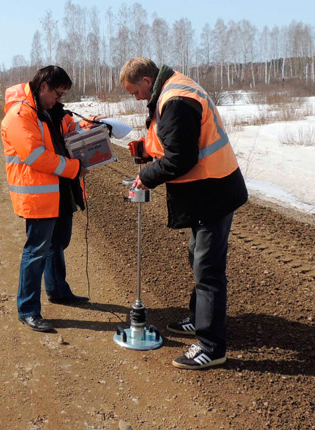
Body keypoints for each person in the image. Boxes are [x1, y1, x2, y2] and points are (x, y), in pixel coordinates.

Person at [120, 57, 248, 369]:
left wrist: (147, 176)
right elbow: (173, 138)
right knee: (197, 256)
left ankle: (211, 346)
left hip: (213, 191)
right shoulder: (172, 90)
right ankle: (198, 317)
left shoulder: (176, 99)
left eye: (134, 91)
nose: (135, 98)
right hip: (207, 188)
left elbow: (181, 158)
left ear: (147, 82)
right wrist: (146, 148)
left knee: (208, 269)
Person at [1, 65, 91, 332]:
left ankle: (58, 291)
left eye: (63, 95)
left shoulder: (51, 111)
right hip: (39, 195)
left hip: (61, 190)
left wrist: (93, 124)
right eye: (58, 93)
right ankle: (27, 309)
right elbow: (36, 156)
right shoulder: (19, 115)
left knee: (58, 243)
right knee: (36, 250)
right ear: (43, 87)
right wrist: (74, 168)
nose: (60, 99)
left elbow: (71, 127)